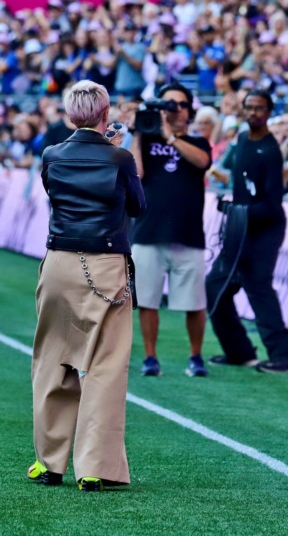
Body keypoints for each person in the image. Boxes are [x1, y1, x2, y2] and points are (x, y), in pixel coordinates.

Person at [28, 80, 146, 492]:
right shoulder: (119, 157)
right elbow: (138, 206)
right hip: (105, 264)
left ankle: (49, 462)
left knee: (52, 362)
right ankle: (95, 466)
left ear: (69, 114)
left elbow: (54, 193)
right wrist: (119, 151)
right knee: (105, 368)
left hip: (59, 260)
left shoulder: (52, 154)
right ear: (104, 112)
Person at [206, 90, 288, 374]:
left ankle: (285, 356)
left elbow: (272, 204)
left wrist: (239, 211)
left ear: (269, 112)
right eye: (249, 108)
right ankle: (240, 351)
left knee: (258, 287)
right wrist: (233, 207)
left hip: (264, 231)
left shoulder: (270, 151)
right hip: (241, 228)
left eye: (259, 109)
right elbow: (242, 189)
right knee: (215, 286)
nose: (253, 113)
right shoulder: (243, 140)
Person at [129, 83, 212, 378]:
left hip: (188, 233)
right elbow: (135, 174)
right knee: (148, 300)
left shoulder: (199, 142)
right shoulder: (147, 142)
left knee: (194, 302)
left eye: (179, 104)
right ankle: (150, 357)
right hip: (149, 230)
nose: (173, 110)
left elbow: (202, 162)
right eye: (167, 104)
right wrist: (139, 132)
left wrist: (169, 136)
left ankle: (196, 356)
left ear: (189, 110)